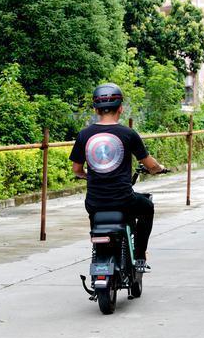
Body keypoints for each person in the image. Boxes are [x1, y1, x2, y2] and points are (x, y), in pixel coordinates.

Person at [70, 83, 166, 271]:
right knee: (147, 207)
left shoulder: (84, 135)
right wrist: (160, 168)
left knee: (96, 222)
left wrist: (86, 175)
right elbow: (151, 165)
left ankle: (100, 249)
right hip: (124, 200)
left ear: (95, 109)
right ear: (121, 108)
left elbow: (76, 169)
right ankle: (139, 256)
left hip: (94, 201)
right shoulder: (128, 134)